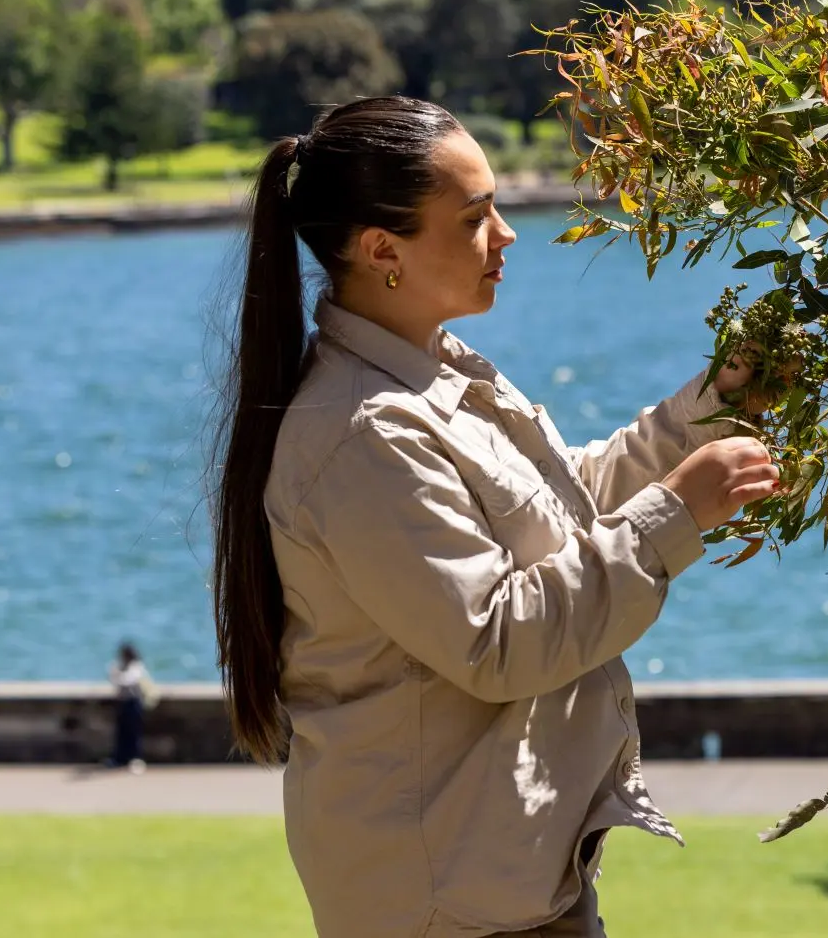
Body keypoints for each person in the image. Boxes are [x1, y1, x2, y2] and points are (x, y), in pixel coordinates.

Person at [210, 97, 775, 938]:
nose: (506, 234)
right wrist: (678, 510)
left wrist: (714, 408)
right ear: (381, 250)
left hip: (506, 876)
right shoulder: (363, 431)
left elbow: (560, 510)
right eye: (475, 216)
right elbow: (496, 638)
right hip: (445, 901)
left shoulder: (432, 378)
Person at [106, 642, 155, 772]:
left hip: (134, 703)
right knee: (121, 733)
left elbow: (128, 679)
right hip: (122, 703)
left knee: (134, 732)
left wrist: (118, 677)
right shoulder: (118, 666)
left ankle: (136, 759)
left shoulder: (137, 667)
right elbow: (112, 677)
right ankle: (119, 759)